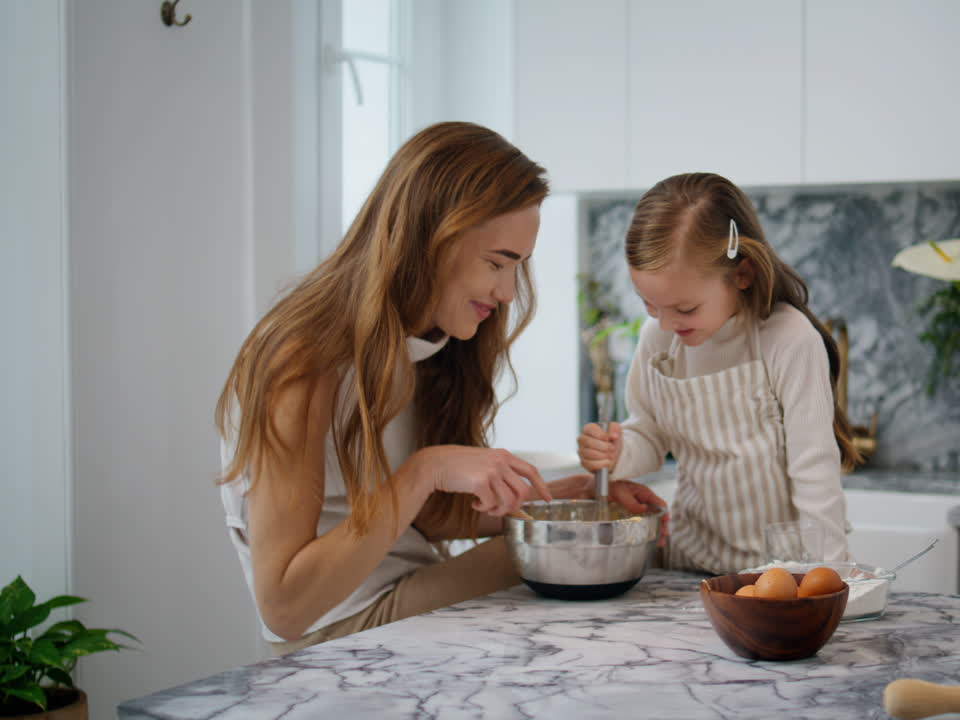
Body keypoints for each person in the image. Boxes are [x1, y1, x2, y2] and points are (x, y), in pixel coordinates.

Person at [216, 121, 664, 653]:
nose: (506, 292)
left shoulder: (427, 345)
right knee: (578, 560)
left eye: (517, 268)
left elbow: (423, 518)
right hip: (330, 629)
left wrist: (576, 498)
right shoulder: (300, 361)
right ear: (431, 239)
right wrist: (426, 470)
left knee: (591, 544)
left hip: (406, 585)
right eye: (496, 263)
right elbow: (286, 608)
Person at [577, 172, 858, 575]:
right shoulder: (659, 340)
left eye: (685, 309)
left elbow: (814, 470)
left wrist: (829, 576)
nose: (666, 323)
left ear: (742, 274)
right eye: (650, 305)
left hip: (781, 575)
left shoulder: (787, 338)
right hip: (689, 566)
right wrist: (618, 451)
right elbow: (650, 436)